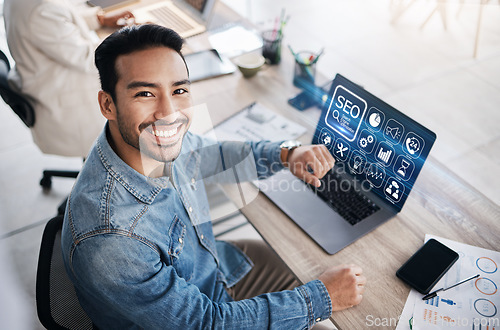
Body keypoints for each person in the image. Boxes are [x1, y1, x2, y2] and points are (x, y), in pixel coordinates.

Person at [61, 24, 366, 329]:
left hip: (213, 270)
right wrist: (320, 298)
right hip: (207, 315)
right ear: (107, 104)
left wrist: (286, 154)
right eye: (145, 93)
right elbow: (207, 323)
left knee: (304, 266)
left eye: (179, 90)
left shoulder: (148, 143)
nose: (169, 112)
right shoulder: (112, 240)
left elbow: (214, 155)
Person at [3, 0, 134, 157]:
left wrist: (99, 19)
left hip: (46, 83)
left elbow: (60, 21)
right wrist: (132, 37)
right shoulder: (42, 10)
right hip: (69, 108)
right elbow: (90, 58)